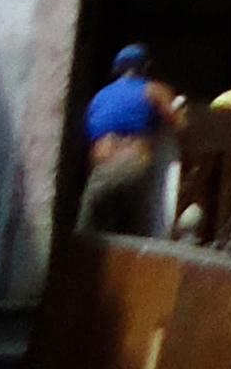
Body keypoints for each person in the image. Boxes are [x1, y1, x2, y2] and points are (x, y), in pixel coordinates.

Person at [77, 45, 182, 237]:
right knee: (130, 235)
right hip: (132, 166)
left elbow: (86, 136)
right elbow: (178, 122)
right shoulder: (153, 89)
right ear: (146, 67)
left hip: (100, 171)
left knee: (90, 234)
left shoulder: (99, 97)